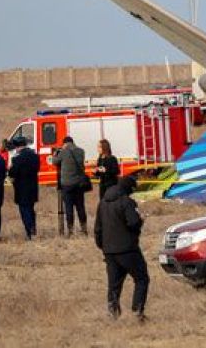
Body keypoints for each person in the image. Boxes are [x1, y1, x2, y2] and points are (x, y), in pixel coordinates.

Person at [94, 175, 149, 321]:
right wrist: (141, 220)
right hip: (128, 249)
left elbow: (98, 228)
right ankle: (137, 311)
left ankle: (113, 313)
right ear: (128, 188)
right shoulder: (127, 202)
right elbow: (133, 223)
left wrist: (102, 246)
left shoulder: (103, 202)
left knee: (114, 284)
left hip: (109, 251)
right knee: (142, 278)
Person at [52, 136, 89, 235]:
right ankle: (84, 228)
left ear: (65, 143)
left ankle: (70, 230)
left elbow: (54, 162)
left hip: (67, 184)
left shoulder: (63, 152)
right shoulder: (81, 151)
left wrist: (55, 154)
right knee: (80, 206)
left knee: (69, 208)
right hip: (79, 183)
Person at [8, 137, 41, 239]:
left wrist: (10, 169)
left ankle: (29, 232)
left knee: (24, 210)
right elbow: (37, 169)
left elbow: (12, 173)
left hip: (21, 189)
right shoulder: (35, 156)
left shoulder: (17, 159)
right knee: (31, 209)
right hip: (33, 187)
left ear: (18, 147)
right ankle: (33, 229)